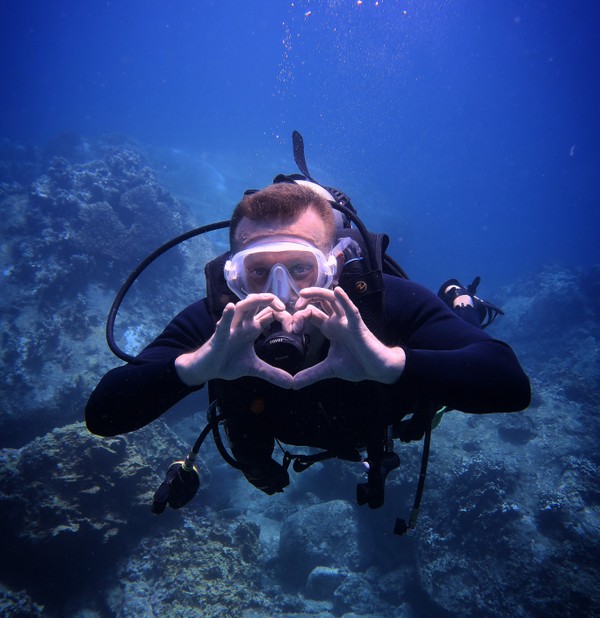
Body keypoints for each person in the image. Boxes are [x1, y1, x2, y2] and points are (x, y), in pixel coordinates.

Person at [85, 181, 530, 499]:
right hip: (289, 428)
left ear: (333, 267)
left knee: (461, 327)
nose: (282, 294)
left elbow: (509, 382)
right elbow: (103, 414)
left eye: (301, 268)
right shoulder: (218, 323)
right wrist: (193, 367)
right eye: (258, 271)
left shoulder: (384, 303)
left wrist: (391, 363)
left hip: (384, 420)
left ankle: (459, 297)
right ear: (233, 274)